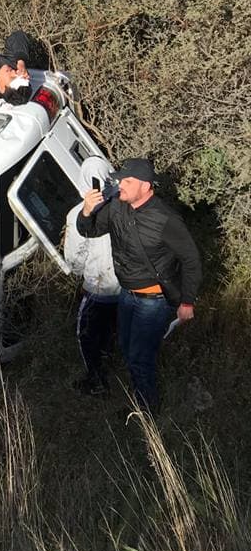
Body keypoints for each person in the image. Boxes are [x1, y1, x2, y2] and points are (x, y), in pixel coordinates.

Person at [76, 157, 202, 413]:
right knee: (126, 346)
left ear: (146, 186)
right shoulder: (116, 207)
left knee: (138, 356)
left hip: (154, 301)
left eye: (128, 181)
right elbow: (89, 231)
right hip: (127, 295)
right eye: (121, 179)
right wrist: (86, 211)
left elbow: (191, 260)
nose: (121, 184)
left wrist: (187, 301)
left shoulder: (165, 219)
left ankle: (147, 410)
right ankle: (142, 398)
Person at [64, 157, 120, 396]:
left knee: (86, 336)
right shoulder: (123, 204)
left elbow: (75, 260)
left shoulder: (78, 214)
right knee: (114, 331)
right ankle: (114, 366)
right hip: (127, 287)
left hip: (97, 290)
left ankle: (96, 380)